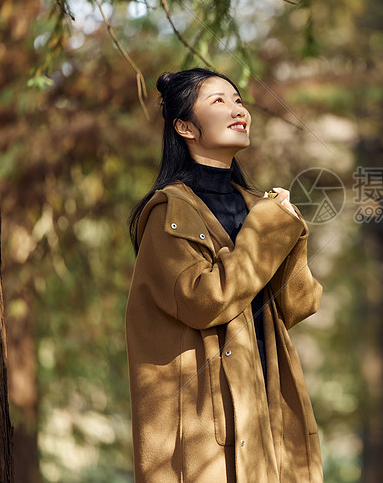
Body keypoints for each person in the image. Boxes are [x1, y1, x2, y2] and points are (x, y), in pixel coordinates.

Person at [126, 68, 323, 482]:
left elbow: (298, 304)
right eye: (219, 101)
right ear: (184, 127)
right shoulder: (168, 211)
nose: (239, 110)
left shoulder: (255, 205)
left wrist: (292, 232)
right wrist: (266, 231)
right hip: (206, 423)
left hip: (267, 409)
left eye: (238, 100)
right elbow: (203, 300)